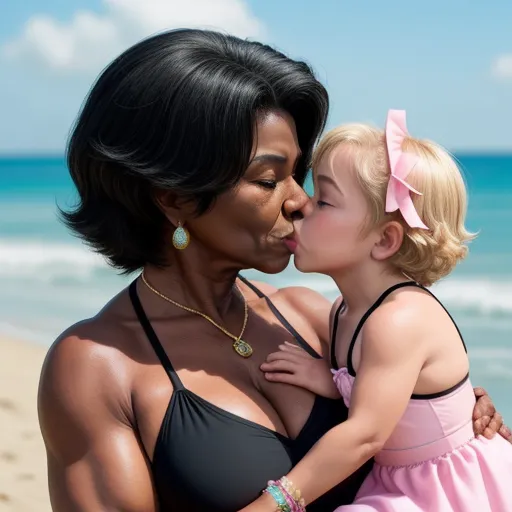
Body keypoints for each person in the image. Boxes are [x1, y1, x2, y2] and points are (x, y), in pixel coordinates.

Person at [37, 29, 510, 512]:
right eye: (268, 179)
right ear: (173, 196)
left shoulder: (313, 316)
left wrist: (454, 416)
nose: (300, 200)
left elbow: (400, 426)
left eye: (298, 174)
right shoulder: (95, 368)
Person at [241, 110, 512, 512]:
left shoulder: (398, 318)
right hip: (398, 480)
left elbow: (365, 435)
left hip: (447, 488)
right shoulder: (342, 311)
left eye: (324, 201)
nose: (301, 207)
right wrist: (330, 379)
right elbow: (382, 389)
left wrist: (275, 503)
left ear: (385, 239)